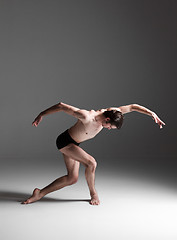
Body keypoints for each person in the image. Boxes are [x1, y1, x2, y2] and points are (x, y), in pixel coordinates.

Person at [22, 102, 165, 205]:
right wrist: (42, 114)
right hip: (65, 141)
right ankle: (93, 193)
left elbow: (133, 107)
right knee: (91, 163)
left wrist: (151, 113)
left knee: (72, 178)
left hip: (74, 144)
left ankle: (39, 193)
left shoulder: (113, 111)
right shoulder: (87, 116)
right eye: (109, 127)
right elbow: (61, 106)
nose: (108, 129)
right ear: (107, 119)